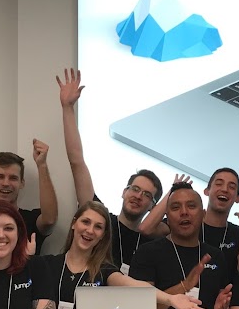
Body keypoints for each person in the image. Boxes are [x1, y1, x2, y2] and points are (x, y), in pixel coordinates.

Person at [35, 200, 207, 309]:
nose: (90, 230)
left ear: (103, 235)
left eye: (98, 227)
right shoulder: (46, 264)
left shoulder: (105, 270)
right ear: (74, 223)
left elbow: (133, 285)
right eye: (85, 222)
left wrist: (170, 299)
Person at [57, 68, 164, 274]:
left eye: (146, 195)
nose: (138, 196)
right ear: (124, 192)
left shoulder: (153, 243)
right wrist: (67, 108)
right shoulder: (100, 220)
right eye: (134, 189)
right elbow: (77, 162)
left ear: (153, 206)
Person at [129, 183, 235, 309]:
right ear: (167, 217)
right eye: (175, 207)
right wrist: (185, 285)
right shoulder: (147, 252)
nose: (184, 212)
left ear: (203, 214)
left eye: (191, 206)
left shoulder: (215, 256)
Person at [0, 147, 57, 253]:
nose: (6, 183)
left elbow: (49, 220)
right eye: (0, 176)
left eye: (13, 178)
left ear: (22, 183)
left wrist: (42, 165)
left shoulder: (30, 220)